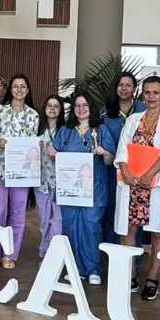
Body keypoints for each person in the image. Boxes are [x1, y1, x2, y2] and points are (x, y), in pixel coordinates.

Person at [113, 75, 160, 300]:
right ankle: (131, 275)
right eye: (147, 92)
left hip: (156, 184)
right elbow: (122, 148)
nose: (151, 96)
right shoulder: (134, 119)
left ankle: (153, 278)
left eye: (155, 92)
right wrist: (125, 172)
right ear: (142, 95)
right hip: (133, 184)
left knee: (158, 232)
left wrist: (149, 174)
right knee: (129, 229)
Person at [54, 93, 114, 285]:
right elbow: (55, 156)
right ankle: (75, 269)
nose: (81, 109)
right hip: (70, 190)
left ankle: (93, 269)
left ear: (91, 107)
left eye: (85, 105)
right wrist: (51, 153)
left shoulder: (101, 130)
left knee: (91, 226)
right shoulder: (65, 131)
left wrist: (104, 152)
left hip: (94, 190)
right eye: (77, 106)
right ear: (73, 109)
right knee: (71, 227)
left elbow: (110, 161)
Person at [0, 73, 39, 269]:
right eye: (15, 86)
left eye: (22, 86)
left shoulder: (33, 116)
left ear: (27, 90)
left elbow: (33, 144)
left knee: (18, 215)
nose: (19, 90)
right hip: (1, 169)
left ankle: (9, 255)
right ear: (10, 89)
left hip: (23, 172)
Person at [100, 71, 141, 244]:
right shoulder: (106, 111)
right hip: (111, 170)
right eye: (120, 85)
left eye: (128, 85)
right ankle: (111, 253)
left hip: (136, 171)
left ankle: (133, 256)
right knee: (112, 211)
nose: (124, 89)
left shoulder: (143, 110)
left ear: (134, 88)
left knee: (134, 215)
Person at [34, 94, 66, 259]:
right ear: (44, 108)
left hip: (60, 182)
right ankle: (44, 252)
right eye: (49, 105)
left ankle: (55, 255)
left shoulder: (65, 131)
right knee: (44, 220)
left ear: (61, 110)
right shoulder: (36, 129)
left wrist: (58, 155)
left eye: (56, 106)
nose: (52, 109)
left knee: (58, 220)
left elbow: (71, 156)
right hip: (41, 181)